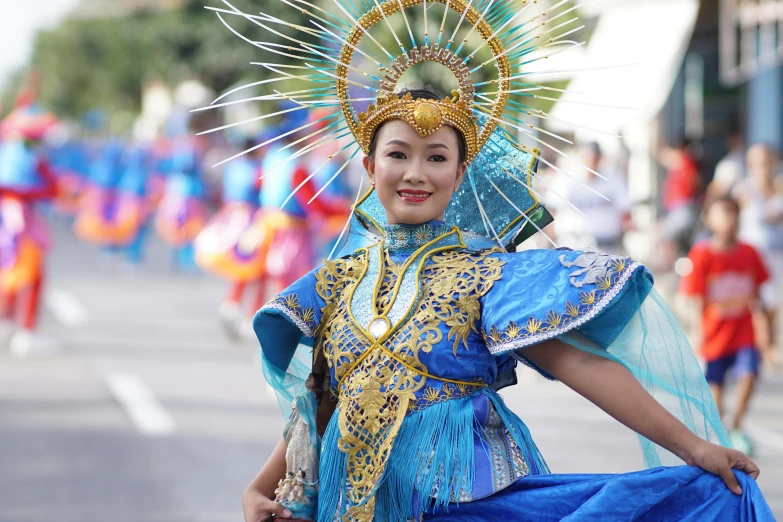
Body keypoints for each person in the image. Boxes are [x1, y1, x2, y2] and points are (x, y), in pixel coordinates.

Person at [216, 1, 773, 519]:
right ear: (369, 165)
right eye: (398, 154)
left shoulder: (487, 276)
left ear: (459, 175)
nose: (415, 172)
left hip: (469, 504)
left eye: (436, 157)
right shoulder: (334, 283)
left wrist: (695, 447)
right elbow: (322, 402)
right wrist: (264, 486)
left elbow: (578, 364)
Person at [679, 196, 775, 456]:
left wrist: (767, 333)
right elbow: (694, 298)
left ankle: (738, 424)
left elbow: (761, 295)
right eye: (723, 213)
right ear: (710, 219)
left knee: (748, 375)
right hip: (715, 334)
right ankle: (722, 435)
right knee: (716, 387)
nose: (729, 220)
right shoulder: (702, 254)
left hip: (744, 331)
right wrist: (696, 333)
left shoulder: (749, 253)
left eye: (733, 213)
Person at [546, 142, 632, 253]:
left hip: (606, 246)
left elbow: (625, 213)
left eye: (595, 158)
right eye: (588, 157)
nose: (591, 162)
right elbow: (551, 211)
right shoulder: (566, 178)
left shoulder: (613, 177)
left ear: (600, 158)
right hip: (573, 245)